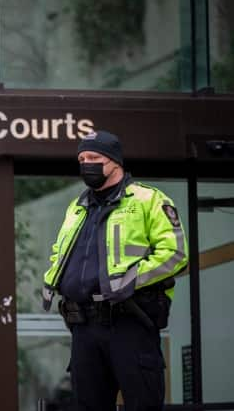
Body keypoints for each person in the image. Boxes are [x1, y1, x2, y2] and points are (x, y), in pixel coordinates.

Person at [41, 130, 188, 411]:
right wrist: (51, 283)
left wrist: (127, 282)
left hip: (130, 320)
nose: (86, 164)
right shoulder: (77, 207)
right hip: (83, 326)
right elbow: (59, 253)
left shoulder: (148, 199)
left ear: (115, 162)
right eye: (82, 158)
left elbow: (175, 253)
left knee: (142, 403)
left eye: (94, 157)